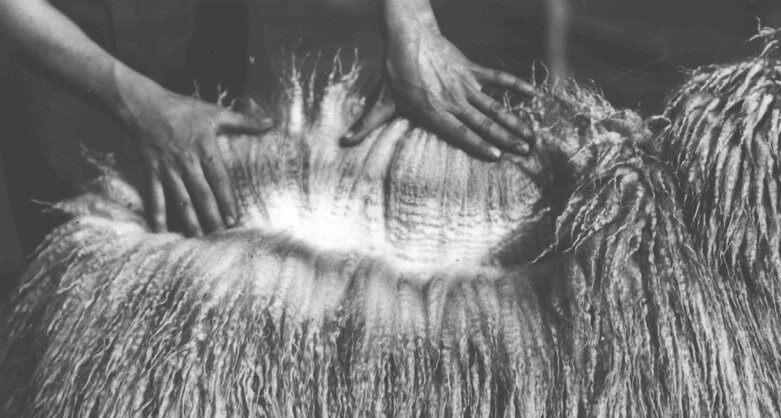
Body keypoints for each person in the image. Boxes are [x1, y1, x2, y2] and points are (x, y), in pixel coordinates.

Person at [0, 0, 535, 242]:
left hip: (197, 25)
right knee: (80, 264)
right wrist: (134, 102)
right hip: (61, 50)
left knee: (215, 250)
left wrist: (411, 20)